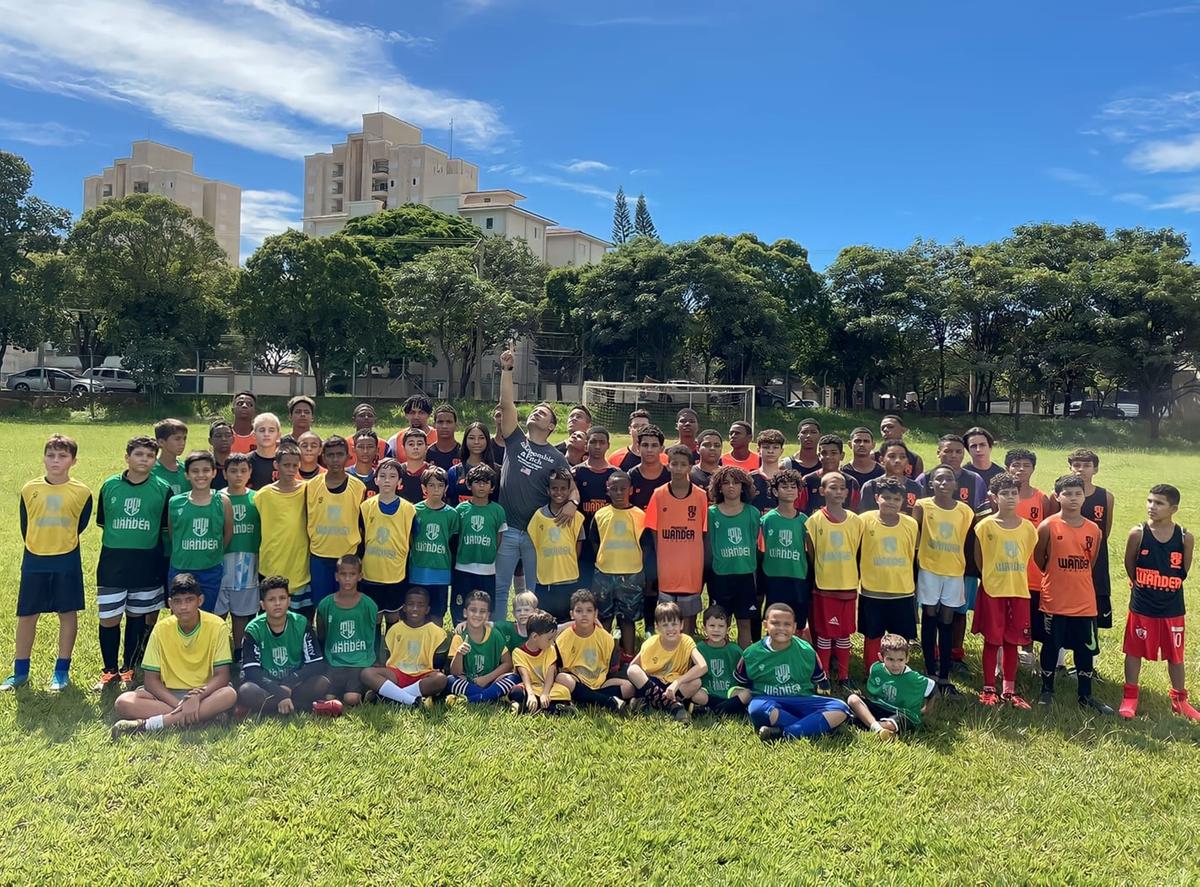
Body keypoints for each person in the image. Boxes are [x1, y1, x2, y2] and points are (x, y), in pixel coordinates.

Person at [2, 434, 93, 692]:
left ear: (73, 461)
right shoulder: (29, 489)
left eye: (62, 456)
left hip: (66, 559)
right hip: (34, 559)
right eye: (51, 455)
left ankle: (61, 672)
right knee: (27, 614)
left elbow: (81, 524)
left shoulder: (82, 492)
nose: (55, 460)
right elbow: (26, 523)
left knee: (67, 613)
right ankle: (20, 672)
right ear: (44, 458)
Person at [494, 348, 576, 622]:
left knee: (532, 592)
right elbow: (507, 406)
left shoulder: (555, 456)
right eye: (535, 410)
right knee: (500, 588)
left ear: (552, 426)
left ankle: (533, 637)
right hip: (506, 530)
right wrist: (507, 371)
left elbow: (572, 487)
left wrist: (573, 503)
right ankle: (496, 635)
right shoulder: (515, 439)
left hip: (533, 533)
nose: (536, 413)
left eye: (543, 413)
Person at [110, 573, 238, 736]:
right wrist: (181, 705)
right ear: (170, 604)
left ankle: (149, 725)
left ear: (200, 600)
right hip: (167, 694)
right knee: (123, 702)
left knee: (228, 694)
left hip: (204, 694)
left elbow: (222, 676)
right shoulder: (161, 629)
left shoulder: (217, 626)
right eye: (177, 601)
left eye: (189, 600)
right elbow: (151, 681)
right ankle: (204, 716)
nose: (183, 607)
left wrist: (196, 698)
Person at [93, 436, 172, 691]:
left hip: (146, 564)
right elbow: (104, 522)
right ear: (127, 457)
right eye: (138, 455)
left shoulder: (162, 488)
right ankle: (109, 671)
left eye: (150, 456)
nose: (144, 460)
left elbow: (163, 528)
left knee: (137, 617)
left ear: (155, 460)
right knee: (109, 618)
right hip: (113, 564)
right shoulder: (109, 486)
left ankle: (128, 668)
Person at [1032, 474, 1112, 715]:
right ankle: (1047, 690)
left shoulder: (1093, 529)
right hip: (1055, 599)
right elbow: (1039, 558)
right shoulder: (1048, 525)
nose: (1073, 498)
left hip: (1084, 602)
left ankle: (1085, 695)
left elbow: (1091, 561)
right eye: (1068, 494)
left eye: (1078, 493)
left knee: (1085, 649)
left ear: (1084, 495)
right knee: (1051, 644)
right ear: (1058, 496)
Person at [1119, 483, 1199, 720]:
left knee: (1176, 655)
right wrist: (1142, 583)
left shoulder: (1185, 537)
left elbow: (1183, 571)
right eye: (1150, 501)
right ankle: (1130, 697)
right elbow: (1129, 564)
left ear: (1173, 508)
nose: (1152, 507)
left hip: (1172, 607)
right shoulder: (1138, 533)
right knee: (1134, 651)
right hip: (1142, 605)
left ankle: (1179, 700)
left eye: (1159, 503)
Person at [734, 603, 850, 743]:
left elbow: (820, 682)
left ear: (794, 627)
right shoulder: (751, 654)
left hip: (801, 700)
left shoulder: (806, 651)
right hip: (770, 702)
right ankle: (813, 726)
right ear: (765, 625)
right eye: (775, 623)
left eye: (787, 624)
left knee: (840, 708)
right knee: (757, 708)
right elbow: (741, 684)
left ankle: (784, 732)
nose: (781, 628)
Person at [973, 472, 1037, 709]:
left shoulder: (1029, 528)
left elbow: (1028, 556)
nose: (1010, 498)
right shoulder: (984, 526)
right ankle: (989, 688)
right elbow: (979, 558)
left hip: (1018, 591)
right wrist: (991, 576)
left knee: (1013, 641)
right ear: (993, 497)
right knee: (992, 640)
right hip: (992, 590)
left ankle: (1009, 690)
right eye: (1004, 494)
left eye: (1013, 493)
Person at [913, 465, 974, 693]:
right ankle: (930, 671)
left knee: (947, 619)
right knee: (929, 615)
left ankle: (945, 676)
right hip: (929, 569)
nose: (943, 483)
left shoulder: (965, 511)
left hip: (954, 570)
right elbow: (914, 535)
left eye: (948, 479)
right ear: (931, 484)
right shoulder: (922, 506)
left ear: (955, 484)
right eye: (938, 479)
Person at [238, 576, 335, 717]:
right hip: (267, 685)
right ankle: (298, 705)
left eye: (282, 598)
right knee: (247, 691)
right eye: (271, 600)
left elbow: (315, 663)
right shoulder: (253, 629)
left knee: (322, 683)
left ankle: (270, 707)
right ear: (263, 605)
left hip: (294, 684)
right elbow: (252, 671)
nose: (277, 603)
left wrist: (289, 683)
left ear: (289, 601)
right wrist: (280, 693)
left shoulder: (301, 623)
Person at [805, 472, 864, 687]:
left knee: (844, 633)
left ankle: (844, 676)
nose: (838, 492)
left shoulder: (856, 521)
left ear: (847, 492)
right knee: (825, 633)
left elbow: (858, 551)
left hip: (848, 585)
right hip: (824, 587)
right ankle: (823, 677)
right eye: (832, 488)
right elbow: (811, 553)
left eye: (841, 488)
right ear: (822, 491)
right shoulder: (814, 521)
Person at [645, 445, 709, 635]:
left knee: (688, 618)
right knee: (667, 615)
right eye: (675, 464)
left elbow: (703, 532)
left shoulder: (701, 496)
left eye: (683, 465)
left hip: (690, 568)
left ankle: (687, 655)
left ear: (691, 467)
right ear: (668, 466)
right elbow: (654, 531)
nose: (679, 468)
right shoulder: (658, 494)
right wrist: (662, 556)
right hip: (667, 568)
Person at [858, 478, 920, 668]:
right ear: (877, 498)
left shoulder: (911, 524)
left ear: (902, 501)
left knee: (899, 639)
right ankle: (872, 671)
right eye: (886, 497)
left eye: (896, 498)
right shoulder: (864, 520)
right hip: (872, 590)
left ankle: (897, 671)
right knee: (873, 635)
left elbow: (913, 555)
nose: (891, 502)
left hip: (901, 590)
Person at [1005, 447, 1058, 664]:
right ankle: (1006, 653)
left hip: (1034, 570)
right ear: (1007, 468)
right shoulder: (1003, 497)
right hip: (1007, 567)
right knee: (1008, 613)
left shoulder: (1041, 498)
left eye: (1026, 465)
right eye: (1016, 464)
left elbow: (1050, 534)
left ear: (1033, 469)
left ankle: (1028, 653)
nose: (1021, 469)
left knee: (1032, 613)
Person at [167, 451, 233, 614]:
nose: (200, 475)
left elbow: (227, 534)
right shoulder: (176, 502)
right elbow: (173, 534)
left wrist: (212, 553)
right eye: (195, 471)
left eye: (205, 470)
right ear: (187, 475)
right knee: (181, 615)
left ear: (214, 472)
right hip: (181, 567)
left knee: (206, 615)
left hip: (210, 569)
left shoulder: (223, 501)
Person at [305, 435, 366, 612]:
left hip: (348, 556)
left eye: (340, 454)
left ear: (348, 456)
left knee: (347, 605)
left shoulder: (358, 487)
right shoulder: (312, 485)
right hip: (320, 555)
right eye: (330, 455)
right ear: (323, 457)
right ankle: (323, 639)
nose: (335, 459)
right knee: (322, 606)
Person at [589, 471, 646, 656]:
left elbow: (646, 546)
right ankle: (603, 655)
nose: (619, 492)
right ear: (608, 490)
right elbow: (595, 542)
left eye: (623, 489)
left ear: (630, 490)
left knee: (627, 620)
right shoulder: (600, 515)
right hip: (604, 574)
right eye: (614, 489)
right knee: (603, 618)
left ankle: (628, 655)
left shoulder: (640, 515)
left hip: (632, 574)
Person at [362, 586, 449, 706]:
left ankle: (389, 697)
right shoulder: (395, 629)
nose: (415, 609)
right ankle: (412, 700)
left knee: (440, 679)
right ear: (404, 608)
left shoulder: (437, 633)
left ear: (427, 609)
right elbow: (389, 657)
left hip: (422, 676)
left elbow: (438, 663)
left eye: (420, 605)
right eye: (411, 604)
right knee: (367, 673)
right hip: (397, 674)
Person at [358, 458, 418, 626]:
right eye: (382, 475)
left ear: (399, 481)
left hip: (396, 574)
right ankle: (374, 652)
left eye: (392, 476)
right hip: (370, 574)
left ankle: (392, 652)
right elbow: (360, 538)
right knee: (374, 617)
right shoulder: (366, 506)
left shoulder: (409, 509)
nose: (386, 480)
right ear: (375, 479)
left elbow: (413, 538)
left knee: (393, 617)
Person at [255, 443, 312, 617]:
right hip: (271, 566)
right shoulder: (262, 495)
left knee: (303, 620)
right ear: (276, 465)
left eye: (295, 465)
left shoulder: (307, 490)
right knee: (273, 618)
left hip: (300, 568)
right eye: (286, 465)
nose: (291, 469)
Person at [315, 555, 379, 709]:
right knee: (327, 696)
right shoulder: (325, 604)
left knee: (351, 699)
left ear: (360, 576)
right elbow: (321, 634)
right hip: (335, 661)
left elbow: (375, 634)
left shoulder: (369, 605)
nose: (348, 579)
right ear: (337, 577)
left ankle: (368, 691)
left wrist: (374, 659)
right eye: (343, 574)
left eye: (352, 574)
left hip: (360, 662)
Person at [553, 589, 634, 712]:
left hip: (601, 683)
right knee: (561, 678)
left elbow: (612, 669)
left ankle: (586, 698)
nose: (584, 615)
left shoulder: (606, 638)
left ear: (596, 614)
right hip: (578, 681)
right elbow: (560, 668)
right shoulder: (563, 639)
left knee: (629, 687)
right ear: (571, 614)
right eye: (579, 611)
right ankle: (608, 702)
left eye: (589, 611)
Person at [626, 601, 707, 723]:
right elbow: (633, 666)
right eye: (665, 625)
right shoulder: (651, 643)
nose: (670, 629)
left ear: (681, 625)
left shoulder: (686, 641)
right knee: (633, 671)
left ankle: (649, 702)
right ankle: (673, 706)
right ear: (657, 627)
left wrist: (677, 683)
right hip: (654, 682)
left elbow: (703, 666)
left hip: (674, 684)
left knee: (696, 682)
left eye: (674, 624)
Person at [707, 466, 761, 645]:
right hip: (721, 575)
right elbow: (709, 542)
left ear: (743, 486)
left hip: (745, 574)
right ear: (718, 487)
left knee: (744, 622)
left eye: (736, 482)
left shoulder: (752, 513)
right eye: (726, 483)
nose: (731, 486)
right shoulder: (712, 513)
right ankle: (722, 660)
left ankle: (743, 665)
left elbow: (754, 539)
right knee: (721, 622)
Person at [847, 633, 936, 739]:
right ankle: (878, 728)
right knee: (853, 699)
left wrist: (926, 710)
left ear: (907, 658)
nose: (895, 664)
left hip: (901, 712)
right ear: (881, 657)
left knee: (899, 721)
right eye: (890, 659)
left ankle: (868, 723)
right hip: (879, 706)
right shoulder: (876, 669)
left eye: (900, 660)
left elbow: (933, 688)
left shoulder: (914, 678)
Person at [451, 464, 507, 626]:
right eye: (477, 482)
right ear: (469, 485)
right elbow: (455, 536)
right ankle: (459, 641)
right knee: (460, 608)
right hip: (463, 567)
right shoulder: (461, 509)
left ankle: (482, 640)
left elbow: (499, 538)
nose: (481, 486)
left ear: (492, 487)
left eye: (486, 482)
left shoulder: (497, 511)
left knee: (485, 609)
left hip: (487, 569)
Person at [527, 468, 586, 622]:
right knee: (546, 623)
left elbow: (578, 548)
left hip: (569, 579)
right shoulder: (538, 517)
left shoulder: (577, 517)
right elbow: (534, 547)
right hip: (546, 581)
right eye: (554, 488)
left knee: (568, 623)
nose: (558, 492)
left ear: (569, 491)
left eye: (563, 489)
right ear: (548, 490)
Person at [218, 452, 261, 659]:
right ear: (224, 473)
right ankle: (216, 653)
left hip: (247, 562)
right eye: (233, 471)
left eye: (243, 471)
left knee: (242, 612)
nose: (238, 475)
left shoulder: (257, 498)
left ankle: (239, 653)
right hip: (220, 561)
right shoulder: (216, 498)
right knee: (217, 611)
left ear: (250, 472)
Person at [1068, 448, 1114, 632]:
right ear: (1070, 468)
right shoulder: (1061, 496)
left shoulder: (1106, 497)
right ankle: (1060, 656)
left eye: (1087, 465)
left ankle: (1090, 654)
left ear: (1095, 469)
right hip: (1068, 557)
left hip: (1096, 559)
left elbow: (1105, 531)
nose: (1081, 469)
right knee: (1066, 603)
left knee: (1093, 604)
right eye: (1076, 465)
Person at [758, 469, 810, 630]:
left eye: (793, 487)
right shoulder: (767, 520)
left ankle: (794, 651)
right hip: (774, 577)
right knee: (775, 619)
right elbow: (760, 550)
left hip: (797, 576)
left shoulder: (804, 521)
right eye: (784, 486)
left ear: (799, 491)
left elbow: (809, 551)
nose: (789, 490)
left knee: (797, 622)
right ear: (775, 491)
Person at [445, 591, 518, 704]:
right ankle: (491, 696)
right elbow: (455, 672)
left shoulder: (495, 635)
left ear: (488, 615)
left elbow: (508, 664)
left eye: (482, 611)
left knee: (514, 678)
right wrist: (459, 653)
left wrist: (486, 679)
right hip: (469, 682)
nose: (477, 615)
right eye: (473, 610)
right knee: (450, 680)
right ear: (465, 613)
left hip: (491, 680)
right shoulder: (459, 637)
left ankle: (471, 699)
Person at [410, 466, 460, 626]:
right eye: (431, 485)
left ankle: (437, 648)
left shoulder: (452, 514)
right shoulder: (414, 511)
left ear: (446, 488)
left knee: (437, 613)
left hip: (441, 573)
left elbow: (453, 543)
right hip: (418, 571)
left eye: (440, 485)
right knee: (416, 612)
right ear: (424, 488)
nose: (436, 489)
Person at [573, 426, 615, 593]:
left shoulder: (615, 475)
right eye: (593, 442)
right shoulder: (577, 473)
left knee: (604, 594)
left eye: (602, 442)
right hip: (582, 541)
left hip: (607, 541)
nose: (597, 446)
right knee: (582, 590)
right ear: (586, 445)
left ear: (608, 445)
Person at [508, 609, 572, 713]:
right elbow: (525, 676)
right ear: (535, 637)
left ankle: (527, 707)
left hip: (547, 687)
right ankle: (552, 707)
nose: (552, 643)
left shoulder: (550, 650)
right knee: (517, 692)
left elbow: (550, 674)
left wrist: (545, 693)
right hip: (529, 687)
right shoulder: (518, 652)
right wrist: (531, 694)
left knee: (564, 692)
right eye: (549, 639)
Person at [693, 605, 747, 716]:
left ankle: (714, 709)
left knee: (747, 694)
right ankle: (728, 708)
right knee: (696, 695)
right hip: (708, 690)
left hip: (730, 690)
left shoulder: (735, 650)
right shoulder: (699, 648)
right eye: (712, 626)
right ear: (704, 628)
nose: (716, 630)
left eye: (721, 626)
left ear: (728, 629)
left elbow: (743, 676)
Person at [916, 435, 986, 510]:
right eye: (948, 451)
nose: (954, 455)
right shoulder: (924, 478)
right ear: (938, 453)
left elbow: (982, 512)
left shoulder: (975, 480)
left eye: (958, 452)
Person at [800, 434, 861, 514]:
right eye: (824, 453)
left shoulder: (851, 482)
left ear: (842, 456)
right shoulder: (808, 481)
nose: (828, 456)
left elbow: (855, 512)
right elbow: (799, 510)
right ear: (819, 456)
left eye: (833, 453)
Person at [859, 440, 922, 516]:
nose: (898, 460)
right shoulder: (871, 486)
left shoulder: (917, 488)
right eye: (892, 456)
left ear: (907, 461)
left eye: (902, 457)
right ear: (881, 460)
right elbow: (864, 517)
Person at [448, 421, 498, 504]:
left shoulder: (497, 471)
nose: (476, 442)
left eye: (481, 438)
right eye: (471, 438)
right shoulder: (454, 471)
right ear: (465, 441)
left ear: (487, 441)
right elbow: (451, 501)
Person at [629, 425, 670, 510]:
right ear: (638, 447)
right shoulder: (630, 476)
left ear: (661, 449)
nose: (649, 450)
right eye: (645, 445)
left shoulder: (671, 476)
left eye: (654, 445)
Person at [750, 429, 787, 512]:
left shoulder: (789, 479)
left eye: (775, 447)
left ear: (781, 451)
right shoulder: (749, 479)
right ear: (758, 450)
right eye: (766, 447)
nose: (770, 451)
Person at [151, 418, 188, 496]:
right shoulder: (151, 471)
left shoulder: (187, 469)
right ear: (161, 442)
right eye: (177, 439)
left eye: (184, 438)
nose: (182, 443)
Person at [248, 412, 281, 490]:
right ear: (254, 435)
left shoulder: (284, 461)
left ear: (278, 435)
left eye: (271, 430)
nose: (266, 434)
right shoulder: (246, 461)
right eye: (262, 430)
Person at [398, 427, 431, 504]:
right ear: (403, 447)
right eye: (411, 444)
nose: (415, 447)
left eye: (419, 444)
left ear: (426, 447)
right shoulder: (396, 472)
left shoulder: (434, 473)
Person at [426, 404, 462, 472]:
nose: (444, 426)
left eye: (449, 422)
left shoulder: (464, 452)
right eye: (440, 422)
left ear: (456, 425)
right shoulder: (427, 453)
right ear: (434, 425)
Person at [346, 430, 379, 497]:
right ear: (353, 449)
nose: (365, 451)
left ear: (377, 450)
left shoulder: (380, 478)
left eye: (370, 447)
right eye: (361, 447)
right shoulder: (344, 476)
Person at [346, 402, 378, 468]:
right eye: (361, 415)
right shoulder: (344, 444)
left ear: (375, 420)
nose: (366, 418)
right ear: (354, 420)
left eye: (370, 415)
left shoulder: (384, 446)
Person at [208, 420, 233, 491]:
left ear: (233, 439)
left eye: (228, 435)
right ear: (210, 440)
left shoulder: (238, 464)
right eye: (218, 436)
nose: (223, 439)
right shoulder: (205, 465)